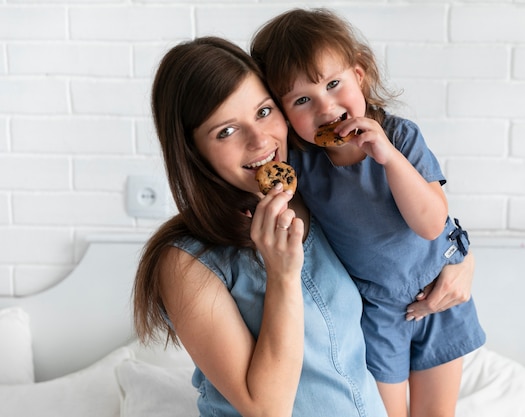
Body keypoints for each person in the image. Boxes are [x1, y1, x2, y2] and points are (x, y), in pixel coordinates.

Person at [132, 36, 476, 417]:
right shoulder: (186, 264)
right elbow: (267, 409)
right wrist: (281, 275)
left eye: (263, 112)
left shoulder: (313, 191)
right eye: (225, 131)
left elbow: (402, 230)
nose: (260, 140)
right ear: (192, 151)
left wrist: (456, 256)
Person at [251, 8, 486, 417]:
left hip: (438, 288)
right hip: (376, 311)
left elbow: (431, 224)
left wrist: (389, 158)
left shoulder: (399, 136)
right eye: (303, 100)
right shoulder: (303, 167)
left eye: (334, 84)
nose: (325, 107)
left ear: (359, 77)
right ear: (285, 115)